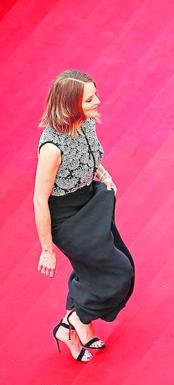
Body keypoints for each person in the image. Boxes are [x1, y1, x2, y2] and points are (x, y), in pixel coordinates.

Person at [34, 70, 135, 362]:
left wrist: (103, 175)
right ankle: (76, 319)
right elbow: (40, 198)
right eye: (90, 99)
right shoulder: (51, 148)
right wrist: (46, 250)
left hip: (92, 201)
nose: (98, 102)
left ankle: (75, 326)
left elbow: (91, 158)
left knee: (96, 268)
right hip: (67, 218)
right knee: (118, 272)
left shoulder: (86, 122)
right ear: (69, 105)